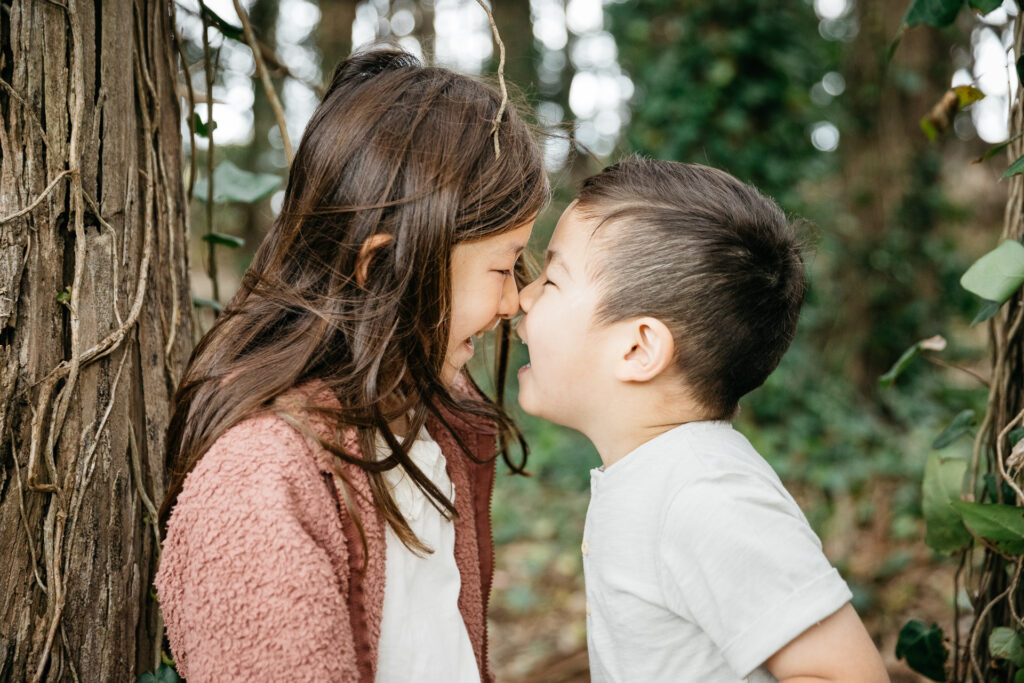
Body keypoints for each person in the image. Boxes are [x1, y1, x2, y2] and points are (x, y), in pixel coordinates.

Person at [154, 48, 547, 682]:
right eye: (503, 268)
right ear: (383, 267)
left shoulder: (433, 430)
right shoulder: (261, 490)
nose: (514, 302)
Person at [515, 157, 889, 682]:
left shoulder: (708, 495)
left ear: (638, 348)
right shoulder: (662, 477)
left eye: (551, 281)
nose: (523, 297)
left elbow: (848, 675)